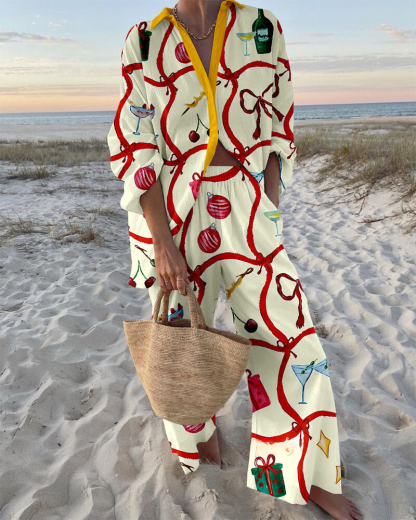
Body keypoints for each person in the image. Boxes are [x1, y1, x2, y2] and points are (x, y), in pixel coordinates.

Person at [107, 1, 363, 518]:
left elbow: (279, 124)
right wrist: (162, 241)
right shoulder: (145, 40)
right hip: (175, 211)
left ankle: (303, 472)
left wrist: (269, 205)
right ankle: (197, 438)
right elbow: (136, 145)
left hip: (248, 204)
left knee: (291, 337)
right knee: (180, 337)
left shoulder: (261, 28)